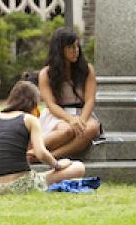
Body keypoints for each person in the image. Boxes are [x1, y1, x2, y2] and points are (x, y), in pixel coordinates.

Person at [0, 81, 85, 194]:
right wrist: (58, 165)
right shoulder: (29, 119)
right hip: (21, 184)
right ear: (33, 103)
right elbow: (40, 153)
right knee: (78, 167)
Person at [37, 27, 101, 159]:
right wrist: (71, 120)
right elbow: (51, 104)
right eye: (71, 47)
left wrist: (81, 121)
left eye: (77, 46)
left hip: (82, 113)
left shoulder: (87, 69)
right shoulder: (46, 74)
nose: (76, 51)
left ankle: (50, 156)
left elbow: (90, 100)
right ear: (60, 49)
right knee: (67, 130)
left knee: (92, 128)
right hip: (58, 114)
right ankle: (32, 149)